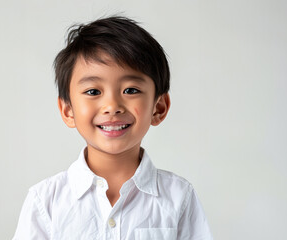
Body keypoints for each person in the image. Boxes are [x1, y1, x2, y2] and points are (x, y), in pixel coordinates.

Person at [13, 16, 213, 240]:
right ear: (68, 110)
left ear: (159, 107)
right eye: (93, 92)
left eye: (130, 90)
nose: (112, 106)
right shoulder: (45, 201)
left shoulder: (179, 197)